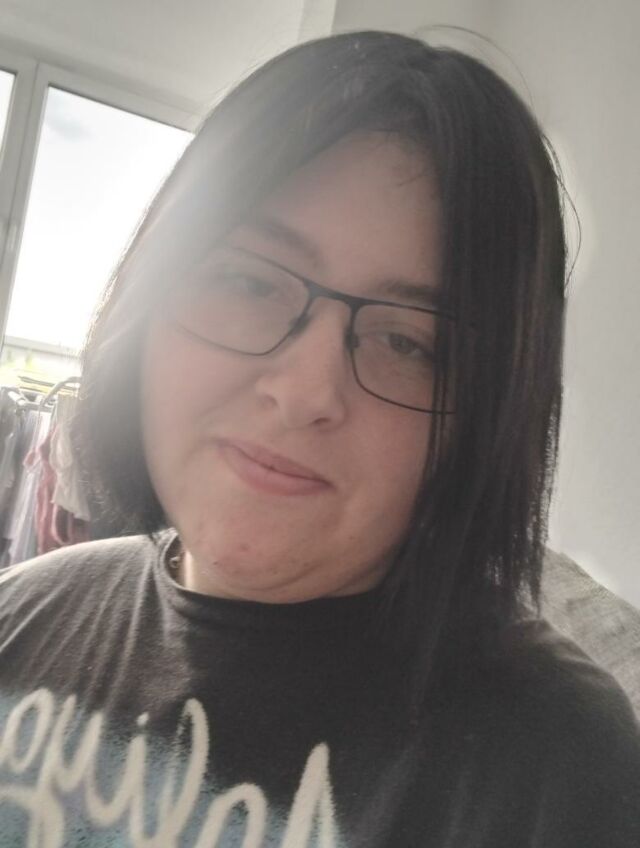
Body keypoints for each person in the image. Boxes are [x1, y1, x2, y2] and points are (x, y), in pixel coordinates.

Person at [0, 30, 638, 848]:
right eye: (248, 282)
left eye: (409, 342)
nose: (305, 392)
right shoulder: (23, 615)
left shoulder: (558, 762)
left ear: (486, 416)